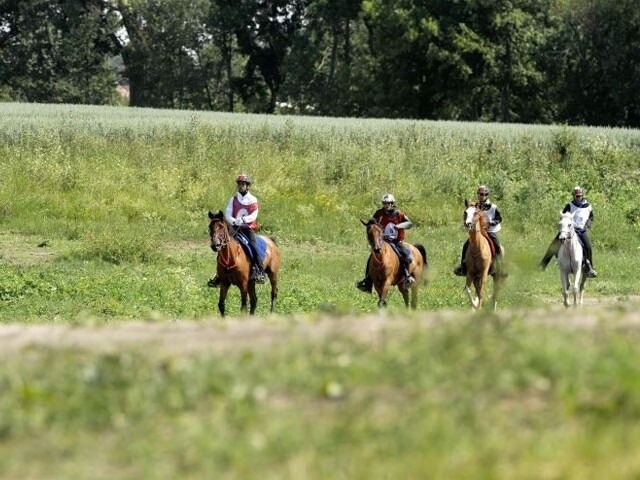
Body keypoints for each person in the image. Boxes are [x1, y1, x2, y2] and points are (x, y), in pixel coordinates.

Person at [208, 173, 266, 287]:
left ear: (248, 186)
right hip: (234, 229)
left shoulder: (253, 200)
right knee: (223, 246)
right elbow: (228, 213)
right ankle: (219, 274)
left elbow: (254, 215)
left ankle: (260, 271)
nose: (240, 186)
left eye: (243, 184)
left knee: (253, 247)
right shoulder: (233, 199)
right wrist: (234, 221)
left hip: (248, 229)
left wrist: (243, 220)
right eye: (239, 184)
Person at [356, 193, 415, 293]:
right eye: (384, 203)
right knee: (371, 258)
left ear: (392, 204)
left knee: (406, 255)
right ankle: (367, 281)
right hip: (382, 242)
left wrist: (399, 226)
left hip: (396, 241)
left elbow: (409, 223)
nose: (386, 205)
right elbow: (372, 223)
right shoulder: (379, 213)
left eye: (388, 203)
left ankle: (407, 277)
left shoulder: (398, 213)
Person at [539, 186, 597, 277]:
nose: (578, 197)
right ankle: (542, 265)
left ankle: (590, 268)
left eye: (580, 196)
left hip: (581, 230)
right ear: (573, 196)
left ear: (582, 195)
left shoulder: (588, 206)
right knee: (554, 245)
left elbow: (591, 217)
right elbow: (563, 216)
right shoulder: (570, 205)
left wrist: (587, 225)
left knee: (588, 246)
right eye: (577, 196)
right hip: (569, 230)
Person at [454, 185, 504, 276]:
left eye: (484, 194)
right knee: (466, 245)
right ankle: (462, 267)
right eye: (480, 194)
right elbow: (469, 216)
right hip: (478, 231)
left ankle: (501, 267)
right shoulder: (475, 206)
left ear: (487, 195)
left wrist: (490, 223)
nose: (482, 196)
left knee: (497, 245)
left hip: (490, 231)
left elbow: (499, 219)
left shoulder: (493, 207)